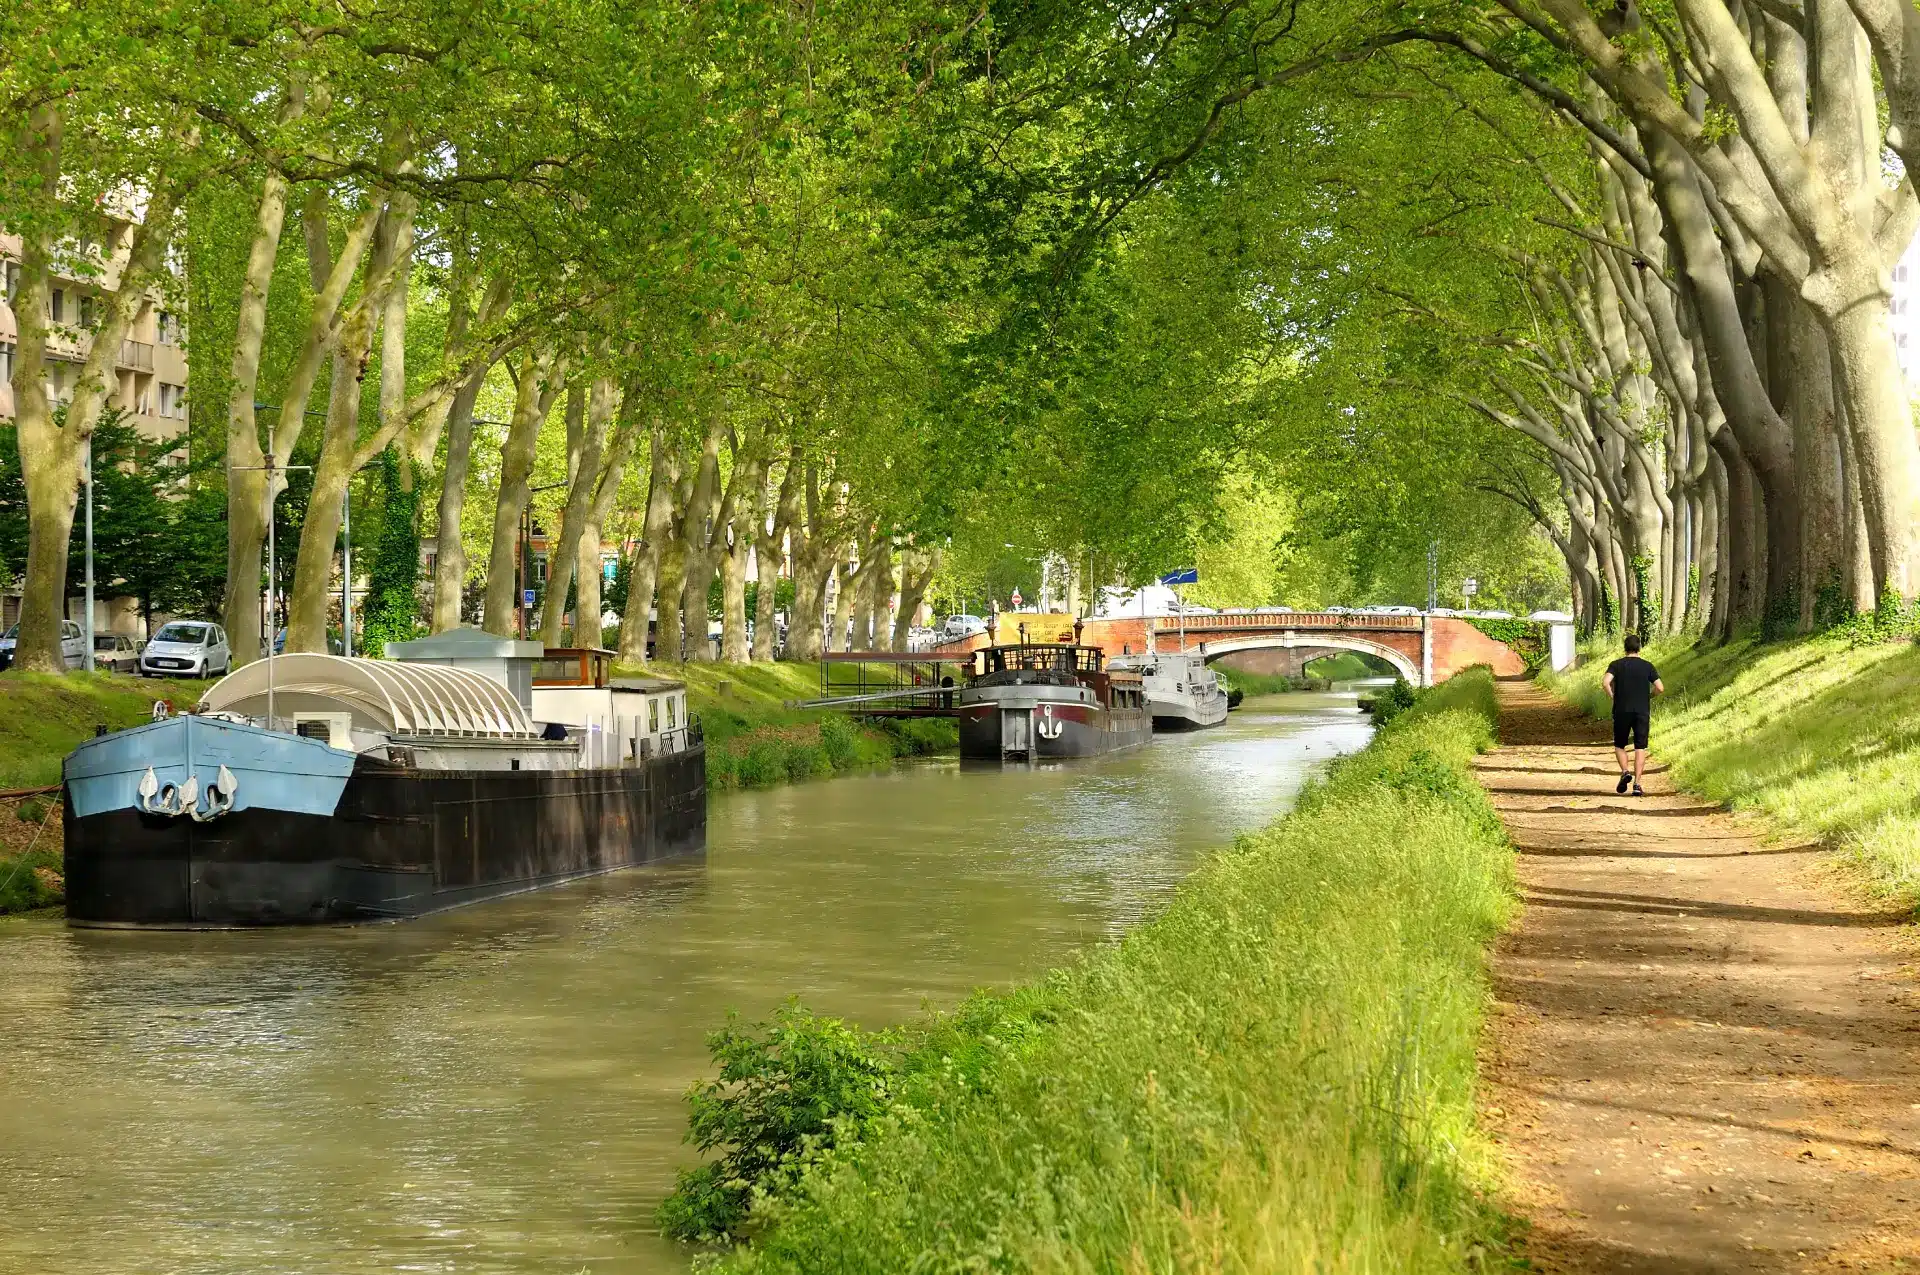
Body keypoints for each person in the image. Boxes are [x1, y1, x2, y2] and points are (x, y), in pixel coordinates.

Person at [1602, 634, 1664, 796]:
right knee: (1640, 747)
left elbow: (1605, 682)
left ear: (1625, 648)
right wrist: (1650, 696)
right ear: (1639, 648)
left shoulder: (1616, 665)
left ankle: (1624, 771)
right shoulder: (1647, 666)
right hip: (1642, 711)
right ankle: (1637, 784)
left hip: (1622, 710)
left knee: (1620, 745)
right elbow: (1660, 688)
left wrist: (1613, 696)